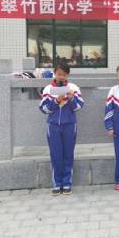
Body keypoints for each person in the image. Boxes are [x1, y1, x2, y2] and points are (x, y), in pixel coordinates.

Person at [38, 63, 84, 195]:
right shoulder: (48, 89)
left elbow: (79, 106)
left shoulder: (73, 88)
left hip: (70, 125)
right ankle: (57, 184)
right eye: (59, 74)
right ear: (54, 74)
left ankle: (67, 183)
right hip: (53, 126)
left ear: (67, 75)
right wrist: (56, 101)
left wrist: (71, 98)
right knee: (56, 154)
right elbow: (43, 108)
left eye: (64, 74)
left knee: (68, 154)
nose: (61, 77)